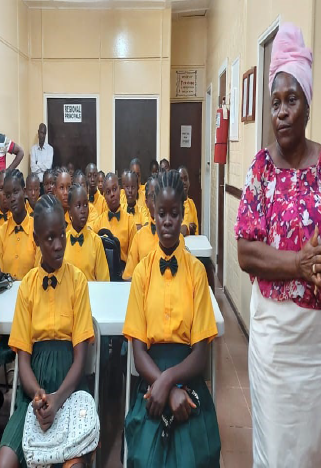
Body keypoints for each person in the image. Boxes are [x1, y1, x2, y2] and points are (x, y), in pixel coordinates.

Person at [235, 23, 321, 467]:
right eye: (276, 103)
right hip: (273, 335)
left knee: (309, 450)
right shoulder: (260, 170)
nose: (282, 112)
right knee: (274, 448)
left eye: (292, 100)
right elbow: (245, 251)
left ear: (307, 104)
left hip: (313, 342)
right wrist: (298, 263)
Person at [123, 170, 221, 467]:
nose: (167, 220)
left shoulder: (196, 272)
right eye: (162, 213)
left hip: (187, 377)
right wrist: (162, 385)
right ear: (152, 212)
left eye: (175, 214)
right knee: (145, 455)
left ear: (182, 216)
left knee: (195, 455)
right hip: (150, 378)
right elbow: (138, 352)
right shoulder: (142, 272)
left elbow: (201, 352)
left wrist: (172, 384)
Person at [0, 195, 96, 468]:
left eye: (61, 234)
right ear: (36, 240)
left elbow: (81, 358)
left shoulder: (77, 282)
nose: (59, 244)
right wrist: (39, 396)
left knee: (73, 464)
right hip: (33, 393)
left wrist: (57, 397)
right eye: (49, 238)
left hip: (70, 390)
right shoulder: (26, 286)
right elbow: (23, 360)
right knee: (3, 463)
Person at [123, 178, 185, 280]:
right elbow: (128, 277)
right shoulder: (139, 237)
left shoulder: (178, 238)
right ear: (146, 202)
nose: (157, 200)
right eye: (153, 196)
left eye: (159, 195)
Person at [0, 169, 37, 281]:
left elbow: (39, 273)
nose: (12, 199)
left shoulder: (36, 228)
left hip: (30, 295)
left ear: (24, 192)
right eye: (8, 195)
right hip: (6, 294)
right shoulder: (2, 231)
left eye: (15, 192)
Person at [65, 184, 110, 281]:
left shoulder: (96, 242)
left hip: (92, 295)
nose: (83, 210)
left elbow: (104, 282)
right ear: (69, 211)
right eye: (78, 205)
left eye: (85, 205)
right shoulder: (62, 241)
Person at [92, 173, 137, 267]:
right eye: (108, 192)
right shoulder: (98, 223)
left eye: (114, 189)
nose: (112, 194)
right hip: (103, 275)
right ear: (104, 196)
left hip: (123, 275)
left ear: (120, 190)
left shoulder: (130, 221)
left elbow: (133, 257)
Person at [179, 166, 199, 236]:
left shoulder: (191, 204)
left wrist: (192, 231)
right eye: (181, 179)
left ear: (189, 183)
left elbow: (196, 233)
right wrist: (187, 228)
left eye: (185, 179)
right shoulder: (172, 204)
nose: (184, 182)